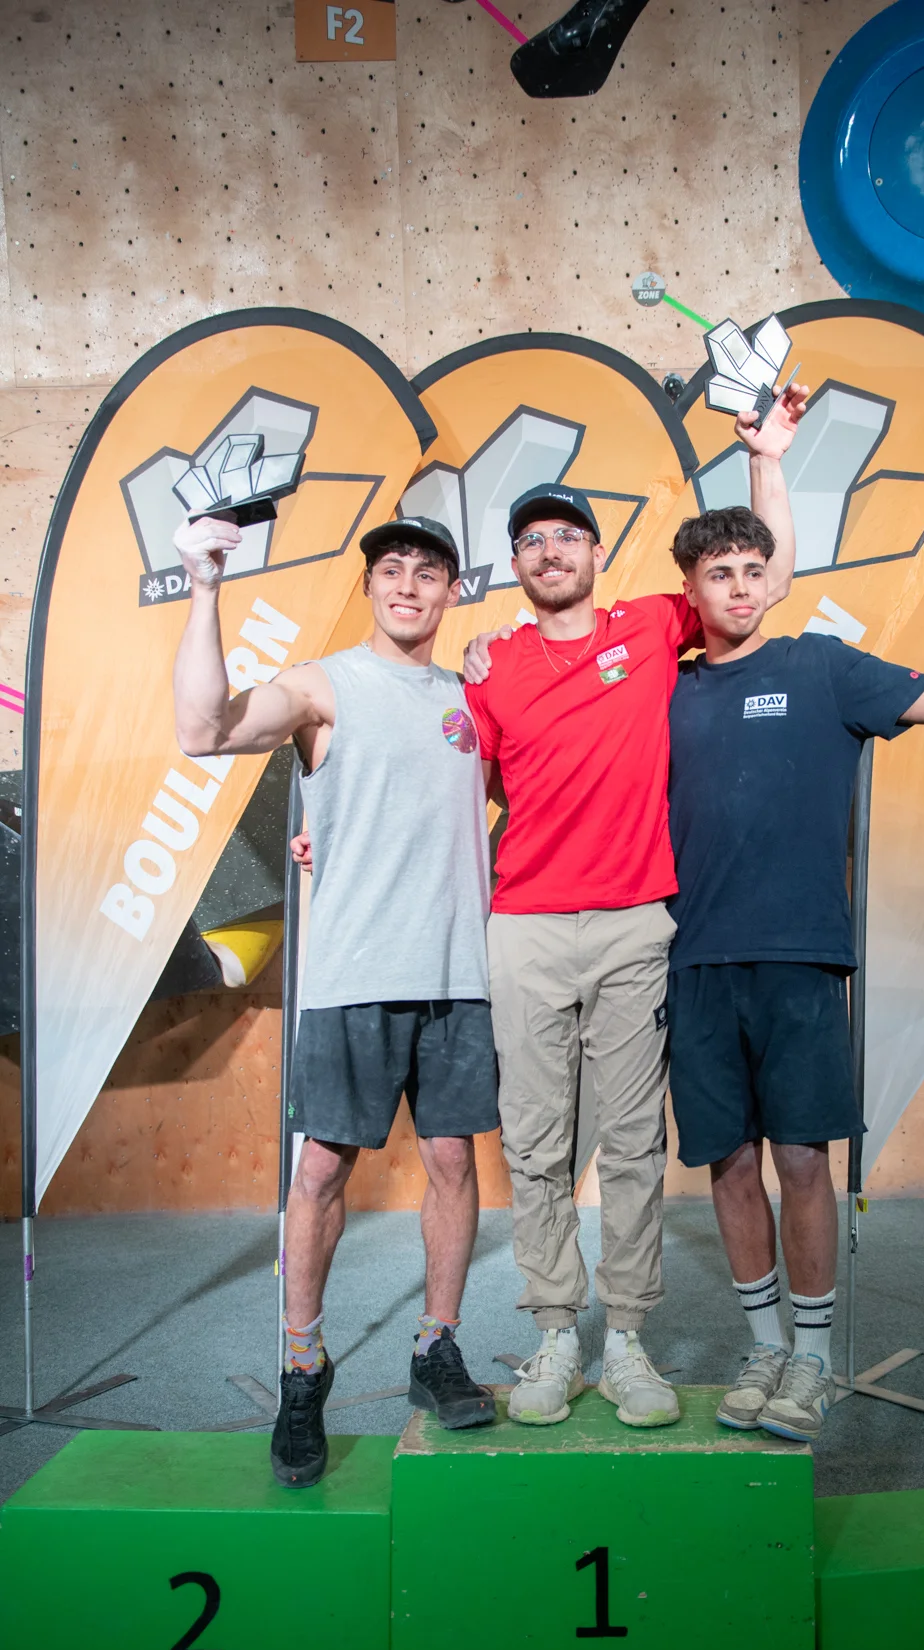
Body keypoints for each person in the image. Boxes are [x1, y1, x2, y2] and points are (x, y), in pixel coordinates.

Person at [665, 504, 924, 1442]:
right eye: (719, 573)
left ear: (773, 578)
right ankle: (765, 1348)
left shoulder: (821, 667)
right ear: (691, 588)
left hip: (800, 955)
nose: (740, 587)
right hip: (694, 960)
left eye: (754, 569)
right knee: (727, 1165)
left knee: (802, 1159)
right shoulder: (664, 691)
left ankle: (811, 1359)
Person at [460, 381, 808, 1429]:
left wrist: (767, 460)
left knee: (630, 1143)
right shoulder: (489, 669)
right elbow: (441, 802)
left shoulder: (654, 627)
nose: (552, 552)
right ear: (517, 565)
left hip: (635, 922)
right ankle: (555, 1334)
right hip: (523, 924)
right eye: (535, 542)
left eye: (570, 537)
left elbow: (767, 581)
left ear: (597, 556)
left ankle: (631, 1343)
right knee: (532, 1141)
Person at [172, 511, 500, 1487]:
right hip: (353, 976)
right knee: (319, 1171)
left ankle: (435, 1347)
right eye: (392, 570)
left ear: (452, 591)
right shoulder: (324, 686)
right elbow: (203, 730)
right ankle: (302, 1366)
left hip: (458, 975)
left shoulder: (474, 694)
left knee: (452, 1158)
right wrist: (202, 586)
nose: (409, 585)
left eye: (429, 572)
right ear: (372, 588)